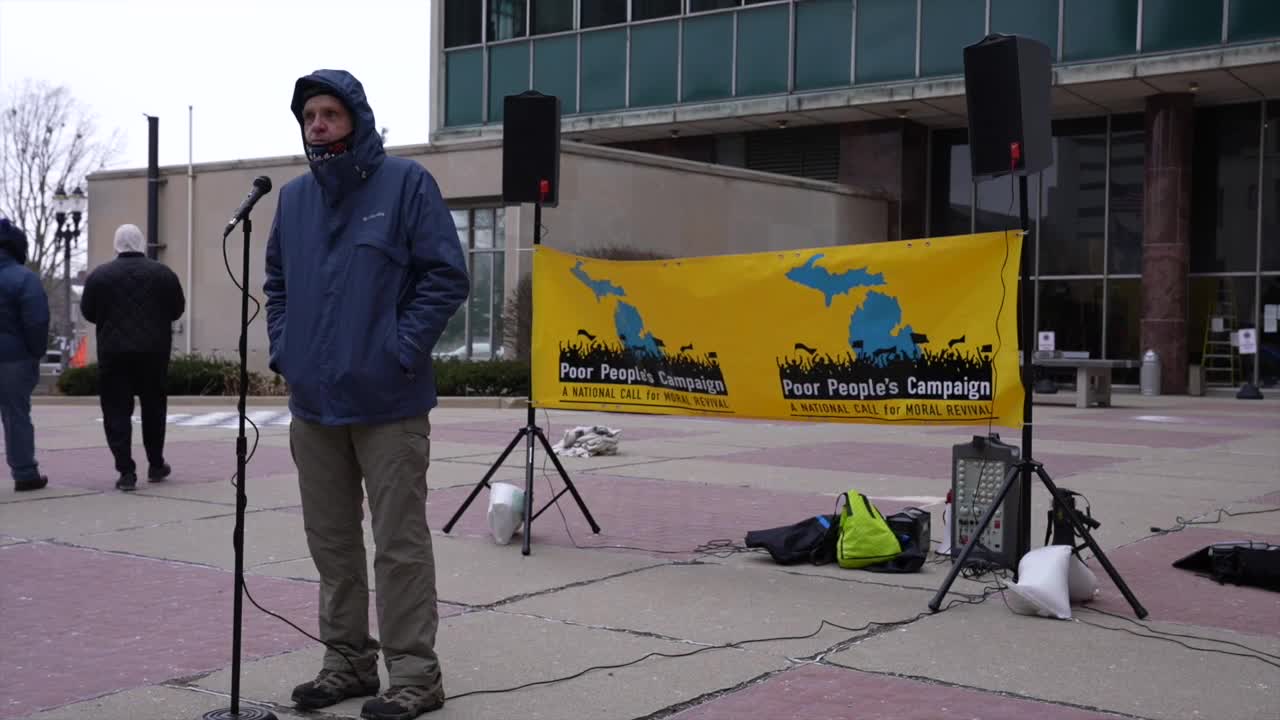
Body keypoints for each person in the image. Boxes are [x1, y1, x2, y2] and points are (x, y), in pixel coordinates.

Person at [264, 70, 469, 720]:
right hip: (314, 406)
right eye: (308, 116)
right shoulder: (293, 201)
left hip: (389, 404)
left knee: (398, 544)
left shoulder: (406, 186)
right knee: (331, 542)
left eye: (329, 113)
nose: (317, 125)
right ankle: (347, 660)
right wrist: (286, 350)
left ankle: (414, 675)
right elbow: (277, 284)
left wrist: (399, 349)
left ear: (356, 118)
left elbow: (445, 275)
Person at [79, 224, 185, 491]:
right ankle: (156, 464)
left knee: (116, 411)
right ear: (141, 243)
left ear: (116, 244)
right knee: (154, 409)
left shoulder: (99, 276)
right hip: (153, 353)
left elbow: (89, 312)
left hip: (113, 355)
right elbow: (176, 310)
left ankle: (126, 471)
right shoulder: (163, 274)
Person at [0, 217, 50, 492]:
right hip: (14, 358)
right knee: (16, 415)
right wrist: (35, 352)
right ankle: (24, 473)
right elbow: (36, 321)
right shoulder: (24, 278)